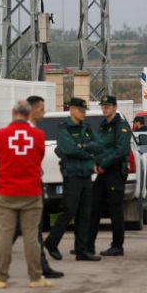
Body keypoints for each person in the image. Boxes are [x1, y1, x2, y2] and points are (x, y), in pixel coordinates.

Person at [0, 95, 64, 279]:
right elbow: (39, 156)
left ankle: (0, 272)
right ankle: (37, 274)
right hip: (31, 190)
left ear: (13, 113)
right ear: (29, 112)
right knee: (31, 235)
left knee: (6, 234)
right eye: (41, 109)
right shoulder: (37, 135)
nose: (43, 113)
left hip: (7, 190)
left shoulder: (1, 135)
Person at [45, 97, 101, 262]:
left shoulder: (86, 127)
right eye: (81, 110)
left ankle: (81, 250)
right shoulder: (64, 128)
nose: (84, 114)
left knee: (85, 213)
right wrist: (86, 149)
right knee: (70, 210)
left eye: (85, 111)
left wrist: (81, 147)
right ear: (72, 110)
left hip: (86, 174)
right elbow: (68, 149)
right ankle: (51, 242)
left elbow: (98, 145)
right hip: (72, 174)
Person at [88, 95, 132, 257]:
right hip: (102, 172)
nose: (104, 109)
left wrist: (103, 164)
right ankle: (88, 245)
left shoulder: (121, 126)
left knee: (115, 210)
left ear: (114, 107)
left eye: (107, 106)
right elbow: (98, 145)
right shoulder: (103, 125)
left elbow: (120, 151)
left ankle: (117, 245)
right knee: (94, 207)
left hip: (114, 172)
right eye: (103, 106)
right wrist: (95, 162)